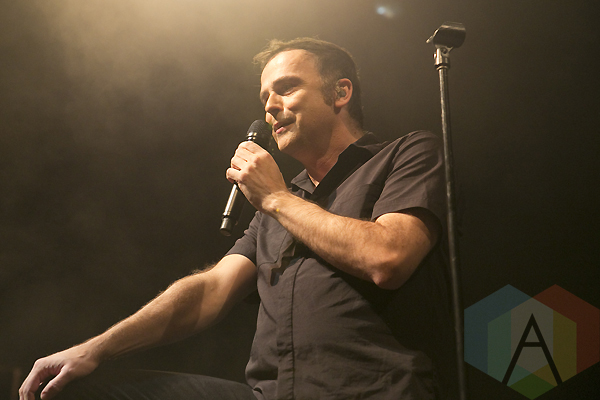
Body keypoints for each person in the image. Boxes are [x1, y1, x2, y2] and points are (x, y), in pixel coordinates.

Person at [19, 38, 457, 400]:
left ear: (341, 93)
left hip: (371, 391)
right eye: (265, 97)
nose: (271, 107)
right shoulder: (280, 205)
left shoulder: (405, 155)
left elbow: (388, 257)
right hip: (269, 394)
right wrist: (95, 348)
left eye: (286, 88)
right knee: (76, 389)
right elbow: (210, 290)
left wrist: (275, 198)